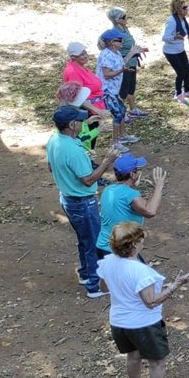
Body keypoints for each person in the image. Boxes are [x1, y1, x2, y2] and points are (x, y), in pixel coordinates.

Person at [98, 222, 189, 378]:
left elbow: (103, 288)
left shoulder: (107, 262)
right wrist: (176, 285)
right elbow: (150, 302)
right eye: (141, 238)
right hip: (143, 324)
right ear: (134, 244)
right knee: (156, 362)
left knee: (132, 356)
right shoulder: (140, 272)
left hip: (119, 322)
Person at [46, 105, 119, 297]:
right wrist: (107, 161)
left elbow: (50, 167)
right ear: (71, 124)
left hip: (68, 198)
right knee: (94, 242)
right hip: (82, 202)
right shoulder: (73, 150)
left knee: (84, 239)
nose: (82, 122)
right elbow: (87, 180)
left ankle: (86, 274)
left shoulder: (55, 141)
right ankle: (94, 285)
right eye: (79, 120)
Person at [97, 154, 165, 258]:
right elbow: (150, 211)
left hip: (103, 246)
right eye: (137, 170)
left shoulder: (108, 190)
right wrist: (159, 187)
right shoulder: (130, 195)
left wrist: (131, 185)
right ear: (133, 174)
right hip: (120, 250)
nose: (139, 173)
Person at [98, 7, 150, 120]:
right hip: (124, 63)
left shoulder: (125, 28)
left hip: (132, 61)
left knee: (131, 87)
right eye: (124, 17)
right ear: (117, 20)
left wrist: (139, 49)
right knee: (123, 90)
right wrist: (132, 53)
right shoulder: (116, 33)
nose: (126, 19)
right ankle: (121, 112)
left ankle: (133, 109)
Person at [96, 28, 140, 149]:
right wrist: (122, 70)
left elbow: (122, 64)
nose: (122, 42)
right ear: (111, 42)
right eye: (119, 40)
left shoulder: (117, 52)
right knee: (118, 113)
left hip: (115, 89)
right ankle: (115, 141)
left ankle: (123, 135)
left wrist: (131, 53)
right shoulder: (106, 55)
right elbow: (107, 74)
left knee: (122, 110)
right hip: (107, 91)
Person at [162, 0, 189, 102]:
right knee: (181, 72)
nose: (187, 10)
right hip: (171, 52)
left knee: (188, 70)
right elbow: (165, 38)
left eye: (187, 7)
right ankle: (178, 93)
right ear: (177, 9)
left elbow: (184, 32)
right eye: (184, 8)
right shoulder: (172, 21)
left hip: (180, 49)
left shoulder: (183, 19)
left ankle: (187, 90)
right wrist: (175, 37)